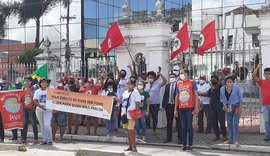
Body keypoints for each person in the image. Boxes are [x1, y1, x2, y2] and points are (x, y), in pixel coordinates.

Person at [174, 69, 199, 151]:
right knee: (183, 126)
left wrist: (196, 107)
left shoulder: (192, 82)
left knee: (189, 126)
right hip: (181, 108)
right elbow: (177, 97)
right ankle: (184, 144)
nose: (180, 74)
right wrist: (175, 109)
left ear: (187, 74)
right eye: (180, 73)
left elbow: (196, 95)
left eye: (182, 73)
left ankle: (190, 144)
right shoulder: (178, 83)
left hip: (190, 107)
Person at [114, 80, 141, 152]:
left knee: (131, 130)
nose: (126, 85)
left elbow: (137, 103)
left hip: (132, 113)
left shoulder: (136, 92)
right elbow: (123, 102)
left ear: (132, 85)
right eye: (126, 84)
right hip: (124, 113)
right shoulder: (125, 92)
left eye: (128, 84)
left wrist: (137, 112)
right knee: (127, 130)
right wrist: (117, 99)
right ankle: (130, 146)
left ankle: (134, 146)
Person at [201, 74, 228, 142]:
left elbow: (225, 80)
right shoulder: (211, 89)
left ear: (217, 80)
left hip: (220, 108)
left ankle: (224, 136)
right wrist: (198, 93)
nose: (213, 81)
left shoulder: (220, 86)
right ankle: (217, 136)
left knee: (222, 122)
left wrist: (222, 73)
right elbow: (207, 94)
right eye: (212, 80)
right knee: (214, 122)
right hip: (212, 108)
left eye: (214, 80)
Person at [220, 76, 243, 147]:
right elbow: (221, 98)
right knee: (229, 124)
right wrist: (224, 105)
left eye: (231, 82)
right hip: (228, 107)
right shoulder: (222, 89)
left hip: (236, 106)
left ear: (233, 82)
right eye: (228, 82)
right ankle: (230, 139)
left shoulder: (236, 88)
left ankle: (235, 140)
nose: (229, 83)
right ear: (225, 82)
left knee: (235, 124)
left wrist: (239, 109)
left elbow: (241, 99)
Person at [162, 72, 182, 144]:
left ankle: (180, 138)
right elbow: (165, 96)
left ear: (176, 78)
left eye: (173, 77)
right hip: (169, 106)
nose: (172, 78)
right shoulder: (167, 86)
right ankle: (168, 138)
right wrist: (163, 106)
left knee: (179, 123)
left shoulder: (179, 85)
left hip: (177, 106)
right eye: (170, 77)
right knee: (169, 123)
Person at [252, 64, 270, 141]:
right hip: (265, 105)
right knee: (266, 121)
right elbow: (253, 75)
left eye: (269, 74)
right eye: (266, 74)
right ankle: (268, 136)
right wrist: (258, 67)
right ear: (264, 74)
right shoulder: (262, 82)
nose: (267, 75)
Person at [34, 78, 53, 145]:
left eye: (45, 82)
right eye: (43, 82)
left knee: (47, 125)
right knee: (42, 125)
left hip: (48, 110)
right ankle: (44, 139)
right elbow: (35, 101)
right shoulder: (37, 91)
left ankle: (50, 139)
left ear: (47, 84)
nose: (44, 83)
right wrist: (40, 106)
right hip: (39, 110)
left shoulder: (50, 90)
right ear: (40, 83)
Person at [21, 77, 39, 144]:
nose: (26, 82)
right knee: (24, 124)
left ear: (31, 81)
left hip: (32, 108)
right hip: (25, 108)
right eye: (25, 81)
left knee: (33, 123)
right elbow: (23, 98)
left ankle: (36, 139)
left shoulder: (35, 87)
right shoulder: (24, 89)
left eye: (28, 81)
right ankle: (24, 139)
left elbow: (34, 96)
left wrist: (27, 88)